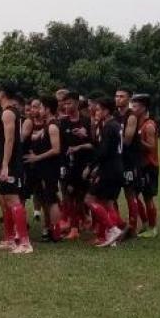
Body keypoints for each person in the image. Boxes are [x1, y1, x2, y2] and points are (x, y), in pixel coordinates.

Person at [0, 82, 33, 254]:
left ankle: (24, 242)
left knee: (13, 200)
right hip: (3, 162)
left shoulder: (8, 113)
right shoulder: (7, 113)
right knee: (4, 200)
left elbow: (10, 140)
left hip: (10, 163)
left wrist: (6, 165)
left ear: (3, 93)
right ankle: (8, 239)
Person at [84, 97, 125, 247]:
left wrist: (91, 166)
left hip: (108, 170)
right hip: (117, 167)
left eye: (99, 109)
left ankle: (112, 229)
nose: (96, 111)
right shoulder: (115, 125)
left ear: (106, 111)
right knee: (107, 203)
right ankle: (108, 237)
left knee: (89, 199)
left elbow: (103, 151)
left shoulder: (108, 126)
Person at [25, 96, 63, 242]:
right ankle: (49, 229)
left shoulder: (53, 126)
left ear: (47, 109)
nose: (38, 110)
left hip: (50, 169)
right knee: (46, 200)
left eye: (40, 107)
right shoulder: (48, 125)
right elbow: (34, 137)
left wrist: (37, 157)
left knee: (52, 200)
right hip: (44, 169)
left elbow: (56, 149)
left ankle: (56, 233)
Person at [58, 91, 94, 240]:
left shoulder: (87, 121)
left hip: (82, 164)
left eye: (69, 103)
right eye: (64, 104)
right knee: (68, 195)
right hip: (67, 164)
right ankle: (73, 227)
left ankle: (83, 220)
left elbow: (94, 144)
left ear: (77, 104)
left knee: (80, 197)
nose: (66, 106)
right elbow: (58, 144)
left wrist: (85, 136)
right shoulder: (62, 122)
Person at [115, 87, 143, 236]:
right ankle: (117, 223)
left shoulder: (131, 116)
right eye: (116, 96)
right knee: (111, 193)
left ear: (129, 99)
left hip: (128, 160)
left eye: (121, 96)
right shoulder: (114, 115)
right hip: (115, 160)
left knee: (129, 192)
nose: (118, 99)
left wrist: (111, 142)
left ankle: (132, 226)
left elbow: (127, 140)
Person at [132, 94, 159, 238]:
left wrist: (137, 140)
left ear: (143, 108)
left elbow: (151, 146)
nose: (132, 109)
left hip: (149, 165)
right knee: (134, 195)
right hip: (139, 165)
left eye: (135, 106)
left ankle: (153, 227)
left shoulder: (149, 125)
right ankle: (144, 223)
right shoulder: (137, 123)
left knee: (148, 197)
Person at [21, 98, 44, 222]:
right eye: (30, 108)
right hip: (29, 160)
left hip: (42, 160)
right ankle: (20, 217)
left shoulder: (48, 122)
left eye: (36, 107)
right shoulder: (28, 122)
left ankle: (37, 211)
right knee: (24, 190)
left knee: (40, 189)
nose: (32, 110)